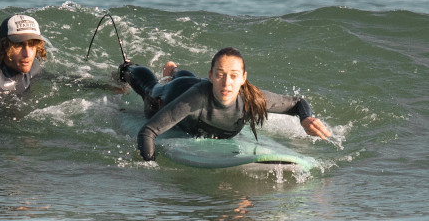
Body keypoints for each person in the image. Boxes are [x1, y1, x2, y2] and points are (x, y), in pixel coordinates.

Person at [120, 46, 331, 161]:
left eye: (233, 76)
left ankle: (174, 71)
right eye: (220, 75)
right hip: (173, 95)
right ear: (211, 76)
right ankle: (127, 68)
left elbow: (297, 103)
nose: (227, 83)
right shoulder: (196, 99)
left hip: (195, 84)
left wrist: (306, 118)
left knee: (186, 78)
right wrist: (150, 166)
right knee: (151, 89)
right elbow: (148, 132)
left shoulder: (252, 98)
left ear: (243, 78)